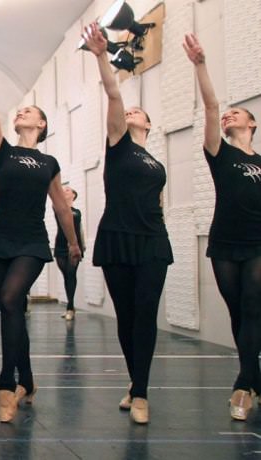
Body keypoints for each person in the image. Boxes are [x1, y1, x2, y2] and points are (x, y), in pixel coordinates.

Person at [0, 35, 81, 423]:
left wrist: (74, 243)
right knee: (11, 309)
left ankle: (6, 383)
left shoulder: (49, 163)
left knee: (12, 299)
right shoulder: (3, 151)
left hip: (31, 240)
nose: (21, 113)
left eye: (29, 111)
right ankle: (27, 376)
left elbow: (61, 205)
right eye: (20, 111)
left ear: (41, 124)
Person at [81, 25, 174, 425]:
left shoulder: (157, 162)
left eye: (140, 113)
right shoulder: (118, 145)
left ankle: (141, 392)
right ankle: (135, 381)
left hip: (152, 239)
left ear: (149, 126)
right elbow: (114, 93)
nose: (132, 112)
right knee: (126, 316)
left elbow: (157, 202)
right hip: (117, 237)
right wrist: (103, 56)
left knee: (146, 312)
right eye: (130, 112)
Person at [184, 33, 261, 421]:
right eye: (228, 114)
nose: (230, 115)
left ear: (253, 123)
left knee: (252, 306)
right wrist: (201, 65)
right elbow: (212, 106)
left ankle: (243, 387)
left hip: (258, 243)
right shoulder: (219, 153)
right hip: (225, 243)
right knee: (238, 313)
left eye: (238, 113)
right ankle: (255, 378)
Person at [55, 186, 84, 321]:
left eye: (67, 190)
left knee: (71, 274)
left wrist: (81, 246)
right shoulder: (58, 208)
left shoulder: (77, 212)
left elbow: (80, 230)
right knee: (66, 275)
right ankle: (70, 306)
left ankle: (70, 307)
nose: (64, 191)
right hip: (60, 246)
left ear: (73, 195)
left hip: (74, 247)